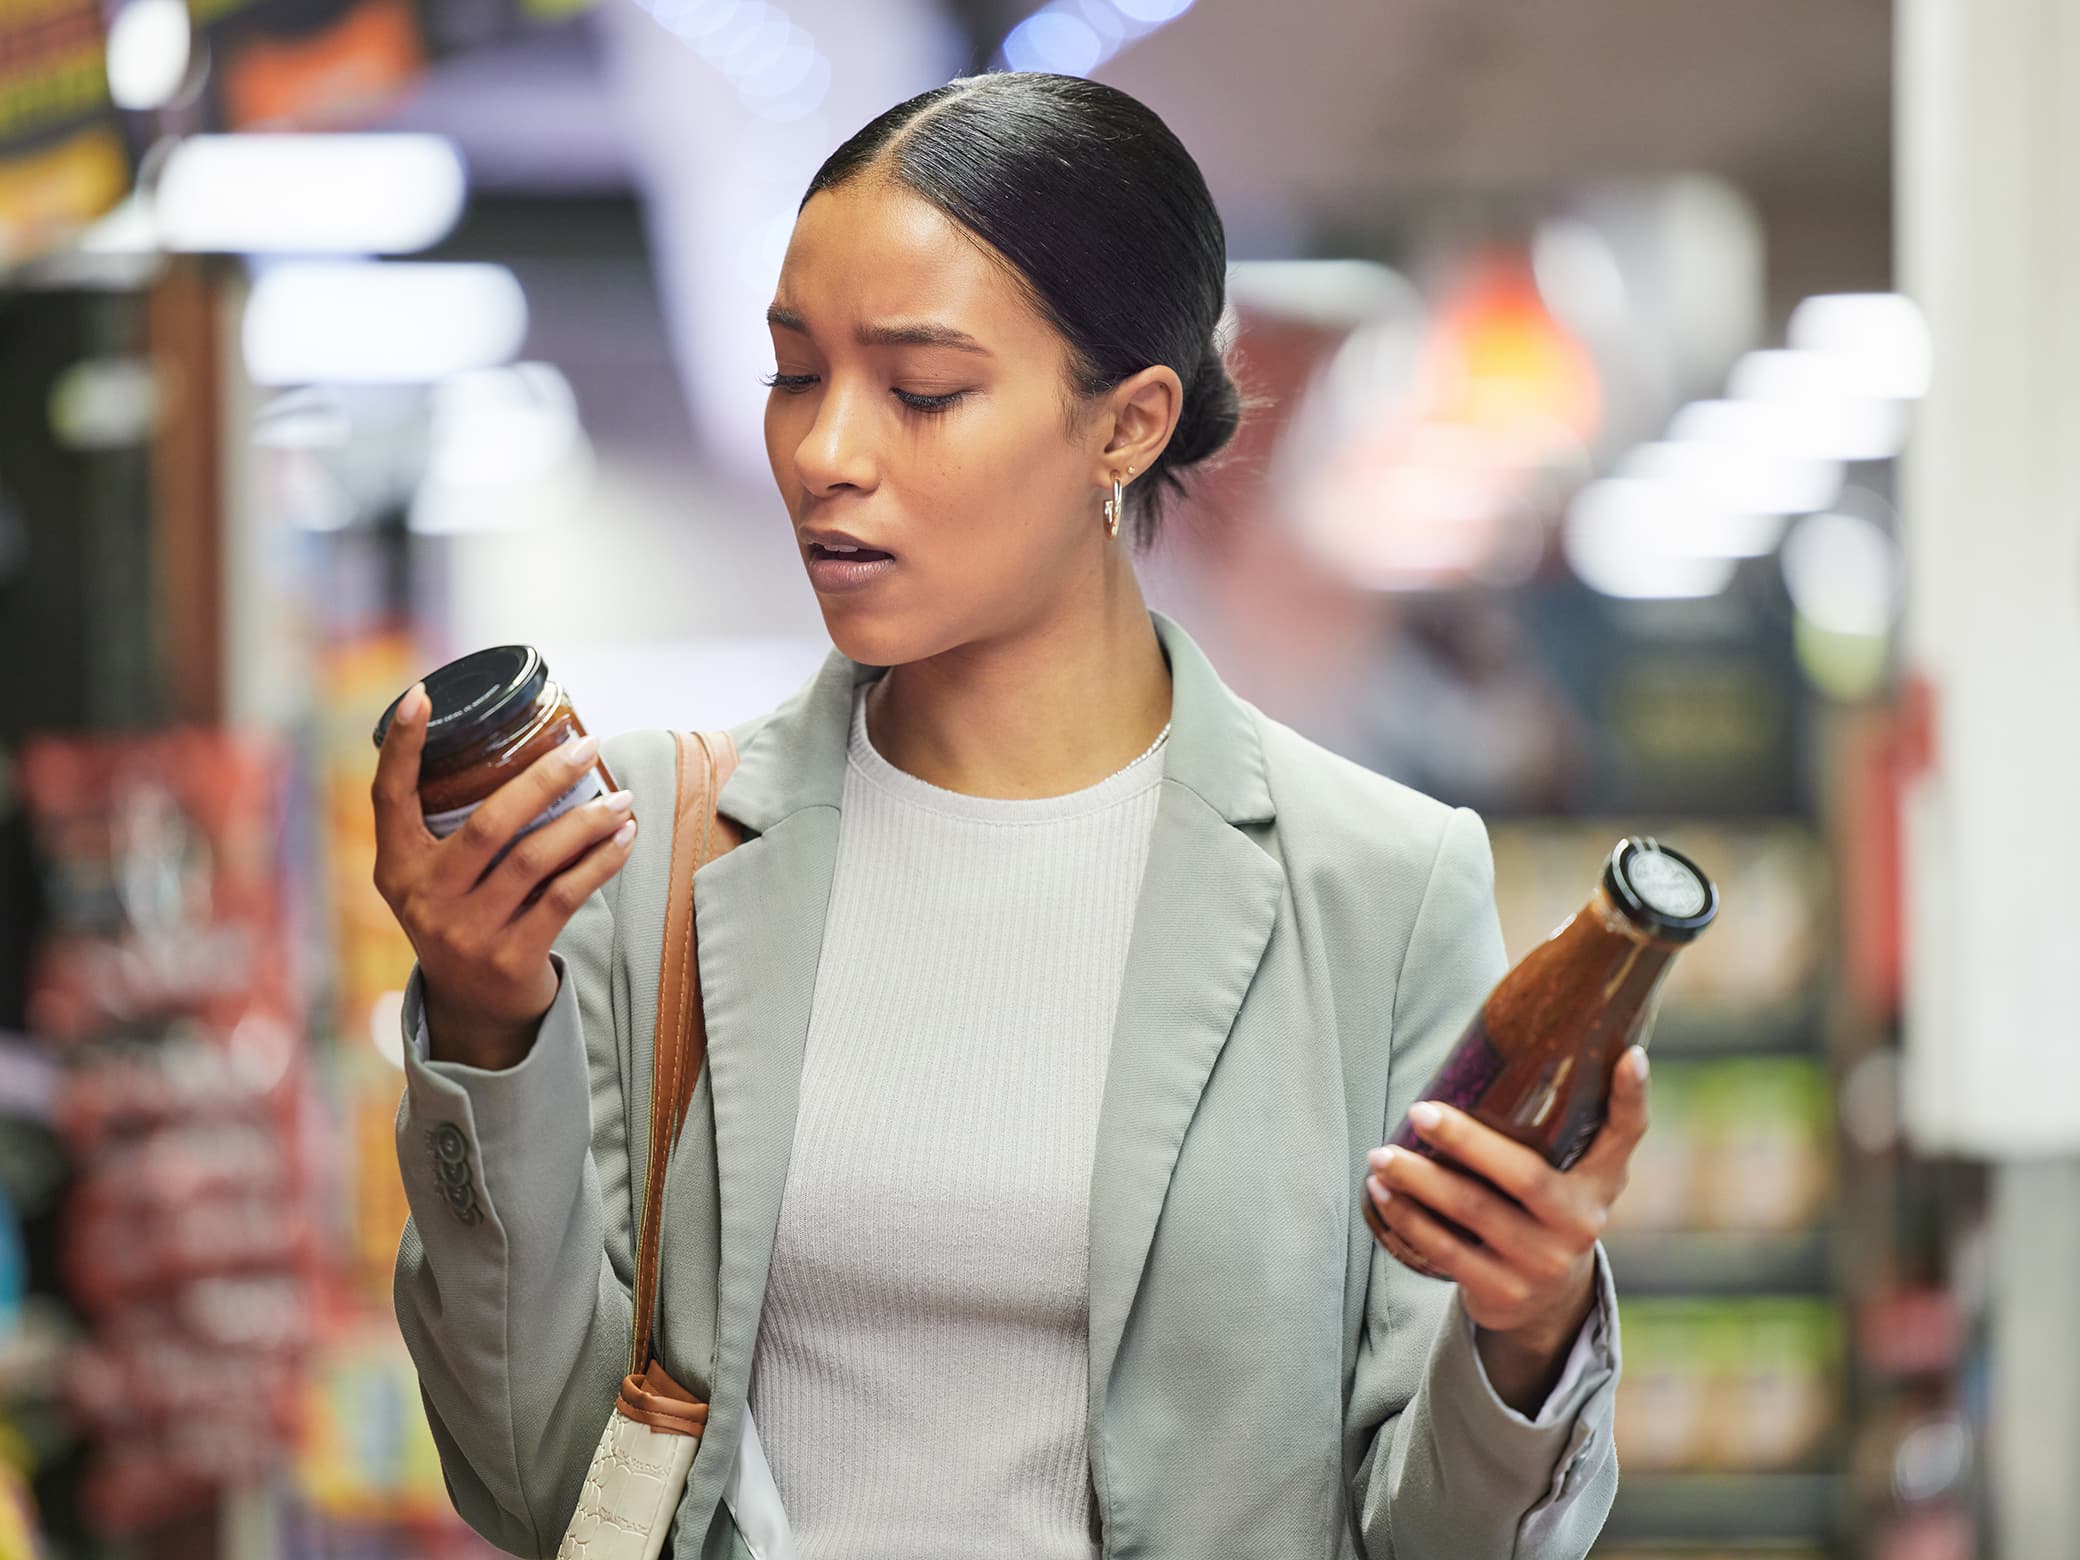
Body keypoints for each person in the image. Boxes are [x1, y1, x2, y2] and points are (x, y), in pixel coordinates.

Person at [376, 71, 1642, 1560]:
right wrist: (479, 1031)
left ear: (1128, 426)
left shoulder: (1377, 888)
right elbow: (537, 1486)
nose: (826, 451)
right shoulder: (652, 846)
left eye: (922, 390)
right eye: (795, 373)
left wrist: (1526, 1328)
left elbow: (1434, 1542)